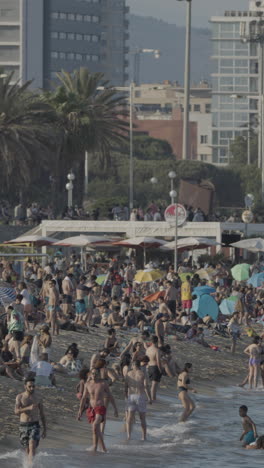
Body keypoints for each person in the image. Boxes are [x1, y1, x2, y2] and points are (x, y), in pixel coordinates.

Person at [77, 367, 118, 454]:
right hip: (91, 409)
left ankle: (97, 447)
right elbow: (84, 398)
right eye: (93, 373)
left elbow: (110, 396)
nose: (94, 375)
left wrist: (115, 409)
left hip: (100, 408)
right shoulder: (87, 384)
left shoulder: (103, 383)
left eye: (96, 373)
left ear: (99, 374)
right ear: (90, 374)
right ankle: (101, 448)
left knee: (95, 426)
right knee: (96, 430)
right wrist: (80, 411)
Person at [15, 377, 46, 463]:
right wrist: (28, 408)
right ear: (25, 386)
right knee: (27, 449)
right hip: (23, 425)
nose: (32, 388)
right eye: (30, 386)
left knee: (32, 445)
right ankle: (29, 463)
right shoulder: (20, 397)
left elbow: (42, 414)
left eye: (33, 386)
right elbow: (16, 411)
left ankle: (30, 466)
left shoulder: (38, 397)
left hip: (35, 424)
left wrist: (45, 429)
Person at [125, 360, 152, 441]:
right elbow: (146, 386)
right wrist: (149, 397)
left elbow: (125, 386)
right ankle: (144, 437)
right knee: (142, 418)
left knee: (129, 418)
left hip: (131, 396)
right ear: (139, 366)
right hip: (140, 396)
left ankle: (129, 436)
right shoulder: (142, 373)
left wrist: (126, 396)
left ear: (133, 366)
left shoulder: (128, 374)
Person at [146, 335, 163, 401]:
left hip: (149, 367)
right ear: (157, 341)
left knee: (153, 385)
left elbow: (146, 359)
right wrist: (160, 370)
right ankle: (153, 399)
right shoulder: (157, 350)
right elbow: (158, 361)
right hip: (155, 367)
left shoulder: (148, 349)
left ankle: (152, 398)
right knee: (154, 385)